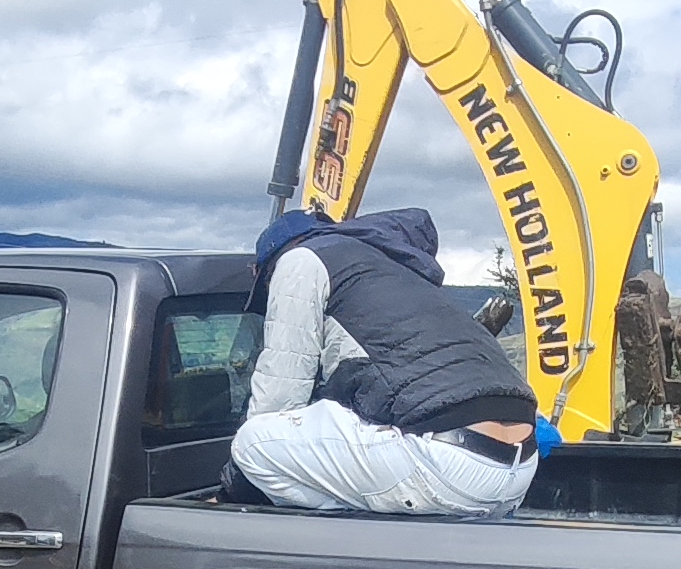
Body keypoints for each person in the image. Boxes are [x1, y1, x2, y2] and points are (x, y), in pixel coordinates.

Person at [225, 207, 540, 518]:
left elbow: (280, 399)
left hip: (447, 465)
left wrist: (234, 488)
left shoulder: (300, 259)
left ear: (269, 266)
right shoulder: (395, 268)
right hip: (522, 467)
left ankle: (342, 534)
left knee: (251, 443)